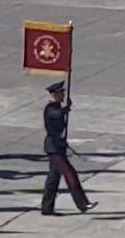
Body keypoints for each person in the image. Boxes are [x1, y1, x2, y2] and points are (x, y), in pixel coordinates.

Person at [40, 81, 96, 215]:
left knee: (53, 179)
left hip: (58, 147)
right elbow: (56, 114)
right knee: (70, 175)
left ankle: (47, 208)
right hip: (54, 148)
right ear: (55, 94)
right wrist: (66, 108)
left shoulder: (56, 106)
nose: (63, 95)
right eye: (61, 93)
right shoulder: (50, 108)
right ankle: (82, 203)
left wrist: (65, 108)